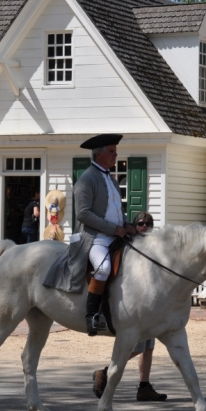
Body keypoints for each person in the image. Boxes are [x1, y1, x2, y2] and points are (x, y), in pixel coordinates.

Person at [43, 133, 135, 336]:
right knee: (103, 268)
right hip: (95, 239)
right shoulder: (86, 179)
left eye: (115, 151)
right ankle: (92, 315)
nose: (115, 155)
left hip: (117, 237)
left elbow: (117, 210)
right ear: (99, 154)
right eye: (111, 151)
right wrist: (113, 229)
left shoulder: (111, 180)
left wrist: (126, 224)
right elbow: (83, 214)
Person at [92, 212, 167, 402]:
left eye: (148, 224)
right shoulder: (130, 244)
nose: (145, 227)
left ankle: (144, 385)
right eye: (141, 224)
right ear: (135, 226)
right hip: (136, 304)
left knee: (148, 347)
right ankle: (105, 372)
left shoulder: (153, 246)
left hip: (151, 303)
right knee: (136, 346)